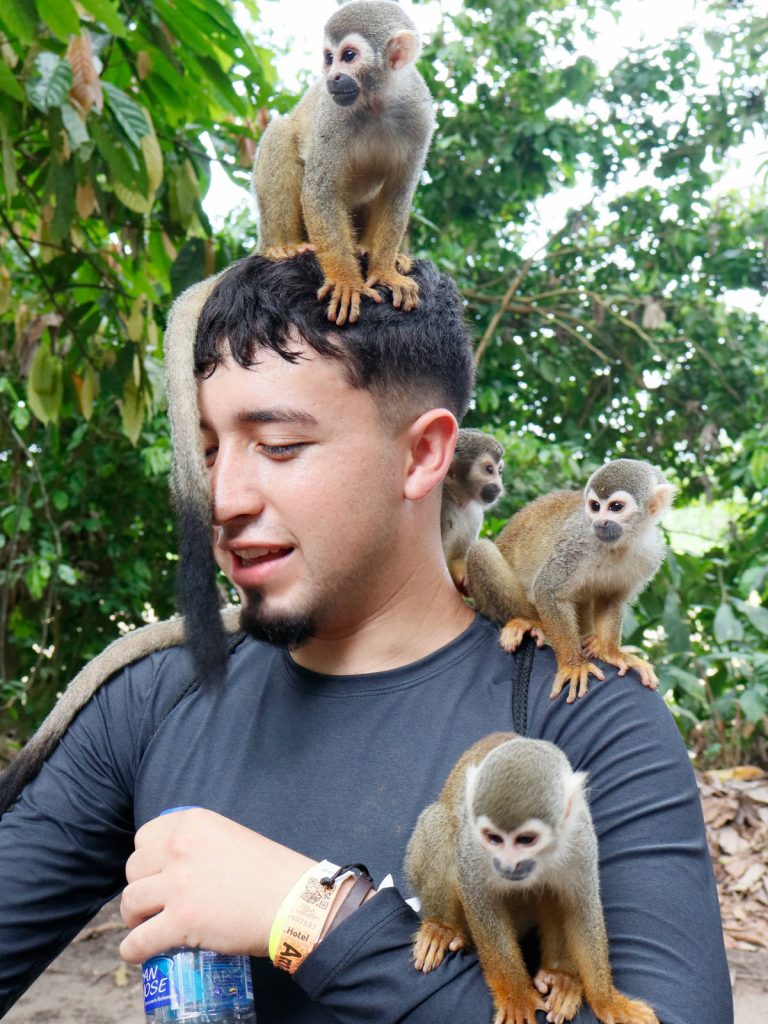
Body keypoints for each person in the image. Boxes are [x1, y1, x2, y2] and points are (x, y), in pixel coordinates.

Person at [0, 254, 732, 1023]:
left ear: (421, 455)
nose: (222, 500)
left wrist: (313, 917)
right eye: (210, 451)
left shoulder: (578, 715)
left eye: (278, 446)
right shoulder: (152, 701)